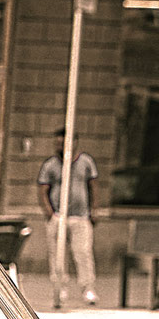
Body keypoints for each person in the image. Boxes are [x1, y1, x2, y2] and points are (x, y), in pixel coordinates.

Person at [37, 127, 99, 308]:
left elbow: (94, 186)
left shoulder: (86, 162)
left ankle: (88, 287)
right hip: (58, 216)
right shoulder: (50, 164)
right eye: (56, 143)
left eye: (62, 142)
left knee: (83, 252)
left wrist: (94, 210)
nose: (59, 146)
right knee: (57, 254)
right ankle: (60, 287)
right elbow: (43, 189)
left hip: (80, 216)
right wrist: (49, 212)